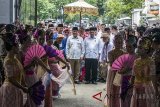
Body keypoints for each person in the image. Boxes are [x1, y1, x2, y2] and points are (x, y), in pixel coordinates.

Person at [0, 33, 28, 107]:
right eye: (17, 46)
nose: (19, 47)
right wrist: (22, 87)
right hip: (9, 90)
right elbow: (11, 78)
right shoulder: (8, 61)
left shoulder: (15, 59)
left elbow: (21, 72)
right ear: (13, 47)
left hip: (17, 88)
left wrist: (23, 84)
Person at [130, 37, 156, 107]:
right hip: (136, 87)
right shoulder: (136, 61)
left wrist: (156, 90)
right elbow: (133, 75)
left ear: (146, 49)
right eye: (138, 47)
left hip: (146, 88)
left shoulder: (150, 61)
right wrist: (130, 85)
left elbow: (153, 76)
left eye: (140, 48)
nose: (138, 49)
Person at [104, 35, 124, 107]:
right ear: (114, 42)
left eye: (120, 42)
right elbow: (112, 64)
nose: (119, 44)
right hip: (114, 73)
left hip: (122, 73)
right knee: (113, 90)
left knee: (120, 90)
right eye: (117, 42)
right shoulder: (110, 52)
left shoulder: (124, 53)